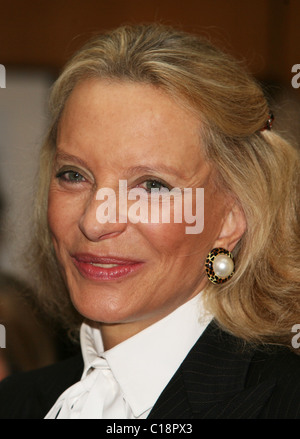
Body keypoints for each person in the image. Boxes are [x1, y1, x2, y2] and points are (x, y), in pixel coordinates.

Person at [0, 23, 299, 419]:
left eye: (152, 186)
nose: (95, 220)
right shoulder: (15, 401)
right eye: (74, 175)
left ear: (231, 215)